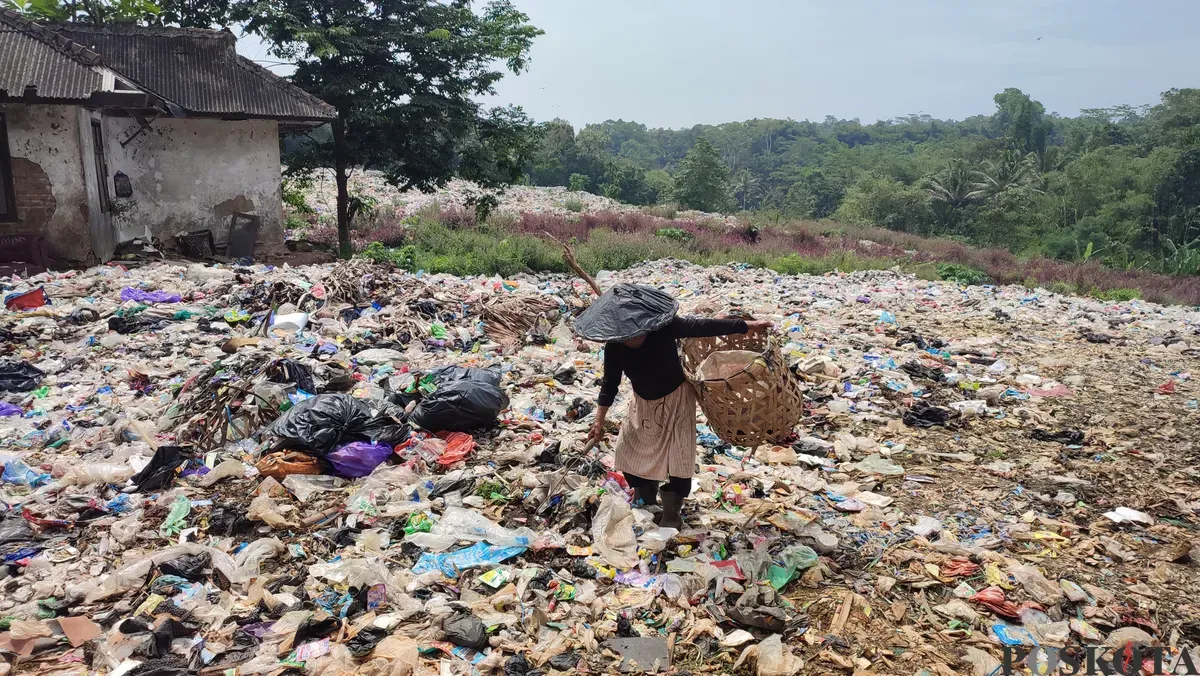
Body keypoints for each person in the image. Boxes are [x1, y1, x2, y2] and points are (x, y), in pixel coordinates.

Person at [586, 314, 771, 529]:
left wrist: (748, 326)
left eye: (637, 332)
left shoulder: (663, 327)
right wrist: (598, 421)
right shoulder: (615, 346)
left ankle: (672, 514)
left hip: (677, 399)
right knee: (628, 450)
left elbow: (703, 326)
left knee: (679, 457)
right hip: (643, 403)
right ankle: (645, 499)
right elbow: (609, 385)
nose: (633, 337)